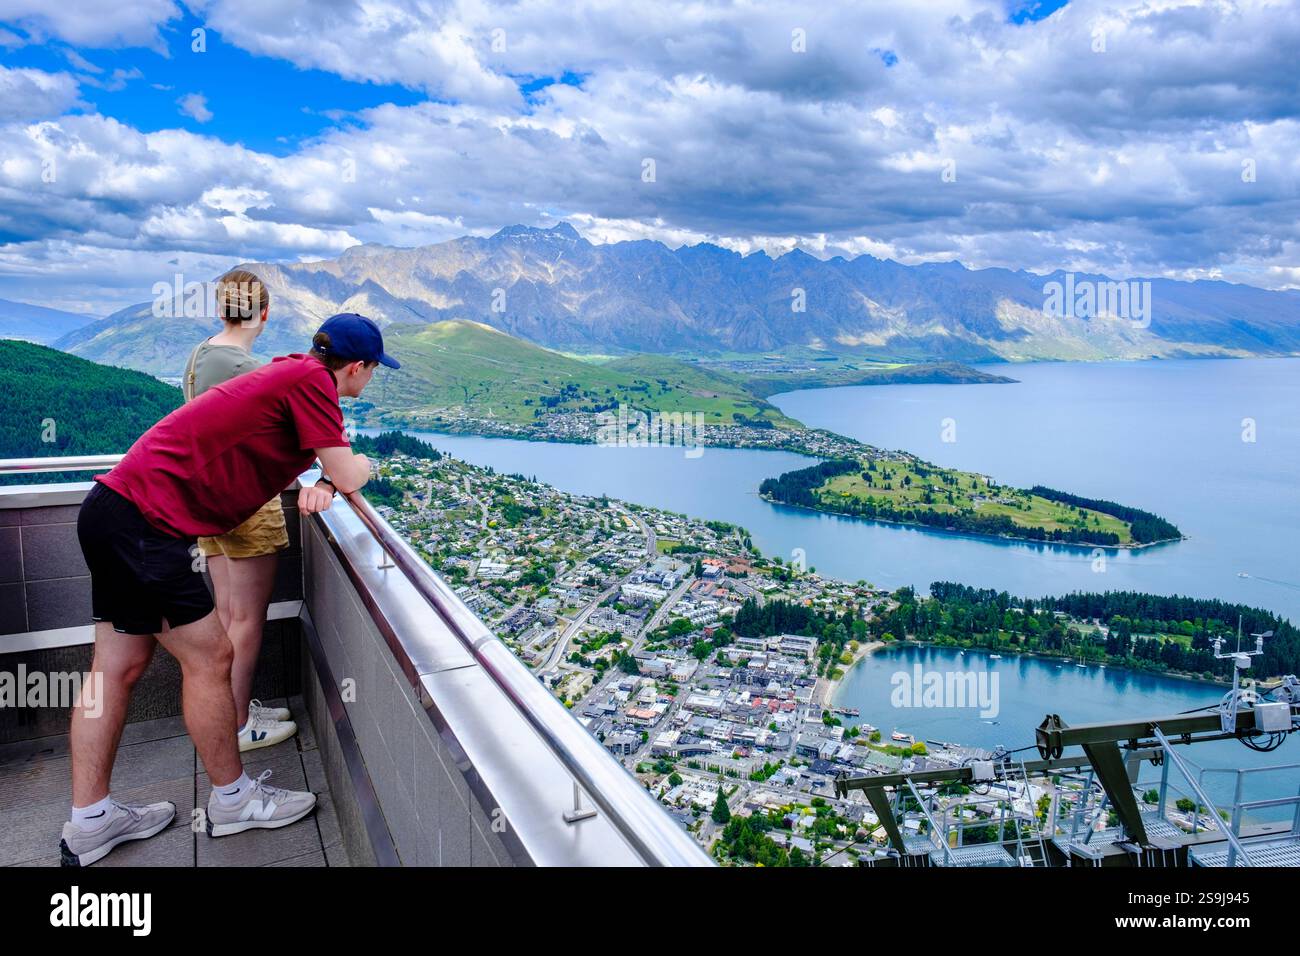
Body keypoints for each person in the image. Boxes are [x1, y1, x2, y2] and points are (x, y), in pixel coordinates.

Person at [63, 313, 399, 866]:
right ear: (357, 367)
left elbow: (299, 456)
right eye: (372, 372)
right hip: (149, 527)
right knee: (212, 657)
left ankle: (92, 820)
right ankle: (233, 800)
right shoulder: (314, 383)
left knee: (115, 668)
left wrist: (322, 476)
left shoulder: (289, 372)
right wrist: (347, 468)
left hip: (113, 510)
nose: (369, 382)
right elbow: (352, 472)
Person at [183, 269, 296, 753]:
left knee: (227, 612)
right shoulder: (244, 368)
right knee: (247, 618)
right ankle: (238, 724)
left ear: (220, 309)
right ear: (265, 314)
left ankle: (234, 710)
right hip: (246, 500)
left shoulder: (202, 354)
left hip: (207, 497)